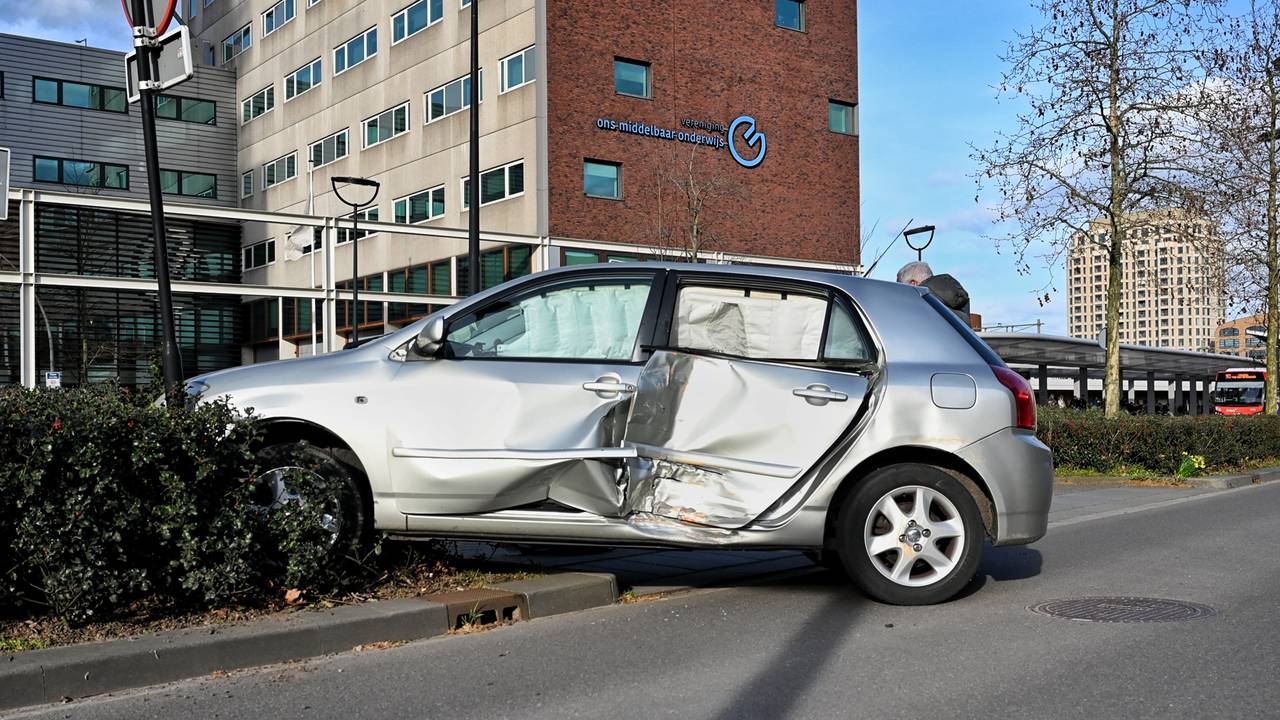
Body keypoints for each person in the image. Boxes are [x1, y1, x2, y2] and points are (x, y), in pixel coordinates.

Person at [896, 261, 971, 324]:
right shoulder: (959, 305)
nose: (900, 293)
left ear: (913, 284)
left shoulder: (921, 310)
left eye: (901, 286)